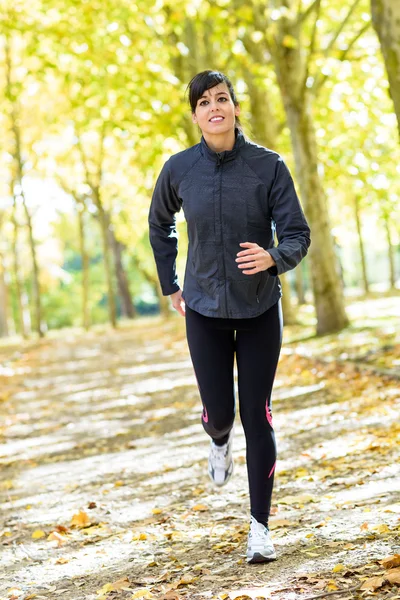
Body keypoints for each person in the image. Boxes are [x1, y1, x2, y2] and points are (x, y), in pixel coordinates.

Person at [148, 70, 311, 563]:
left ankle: (260, 528)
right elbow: (160, 225)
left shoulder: (268, 166)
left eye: (222, 99)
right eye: (203, 102)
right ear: (195, 114)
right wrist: (170, 284)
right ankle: (217, 439)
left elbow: (297, 233)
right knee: (221, 413)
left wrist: (273, 257)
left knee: (256, 414)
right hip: (202, 308)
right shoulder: (179, 169)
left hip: (260, 305)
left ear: (236, 108)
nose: (214, 108)